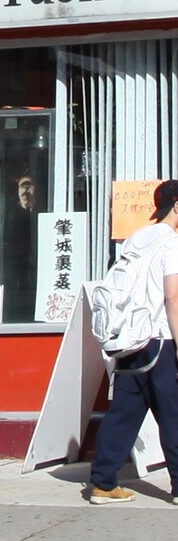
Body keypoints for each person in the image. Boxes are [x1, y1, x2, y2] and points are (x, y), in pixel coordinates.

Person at [89, 178, 178, 503]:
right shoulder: (172, 242)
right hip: (160, 340)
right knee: (174, 413)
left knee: (124, 412)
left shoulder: (137, 238)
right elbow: (173, 298)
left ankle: (103, 483)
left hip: (131, 339)